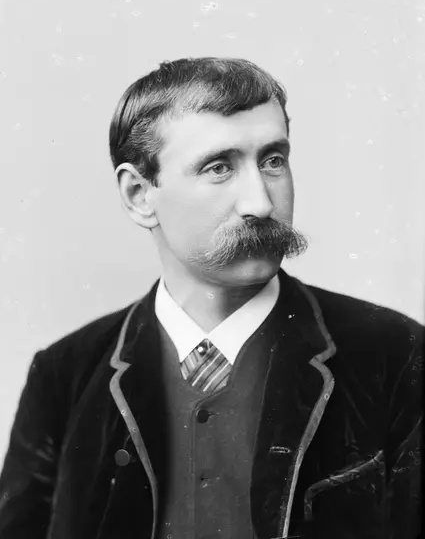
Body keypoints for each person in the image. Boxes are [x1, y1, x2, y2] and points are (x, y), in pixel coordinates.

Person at [0, 57, 422, 539]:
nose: (261, 203)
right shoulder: (63, 375)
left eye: (273, 160)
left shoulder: (397, 354)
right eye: (219, 168)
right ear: (139, 194)